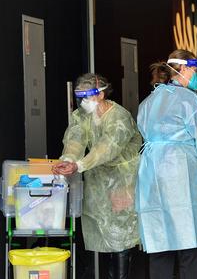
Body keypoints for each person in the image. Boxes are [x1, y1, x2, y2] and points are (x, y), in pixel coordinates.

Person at [135, 49, 197, 279]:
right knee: (188, 244)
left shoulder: (149, 102)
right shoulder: (189, 100)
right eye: (194, 69)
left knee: (160, 246)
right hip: (181, 176)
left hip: (151, 177)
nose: (196, 74)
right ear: (182, 69)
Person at [52, 73, 141, 279]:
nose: (83, 102)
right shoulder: (81, 116)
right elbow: (75, 139)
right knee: (105, 236)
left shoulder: (119, 117)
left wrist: (79, 164)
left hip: (122, 181)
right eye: (80, 97)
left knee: (121, 237)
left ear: (100, 94)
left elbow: (108, 148)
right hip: (98, 183)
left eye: (87, 96)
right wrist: (68, 159)